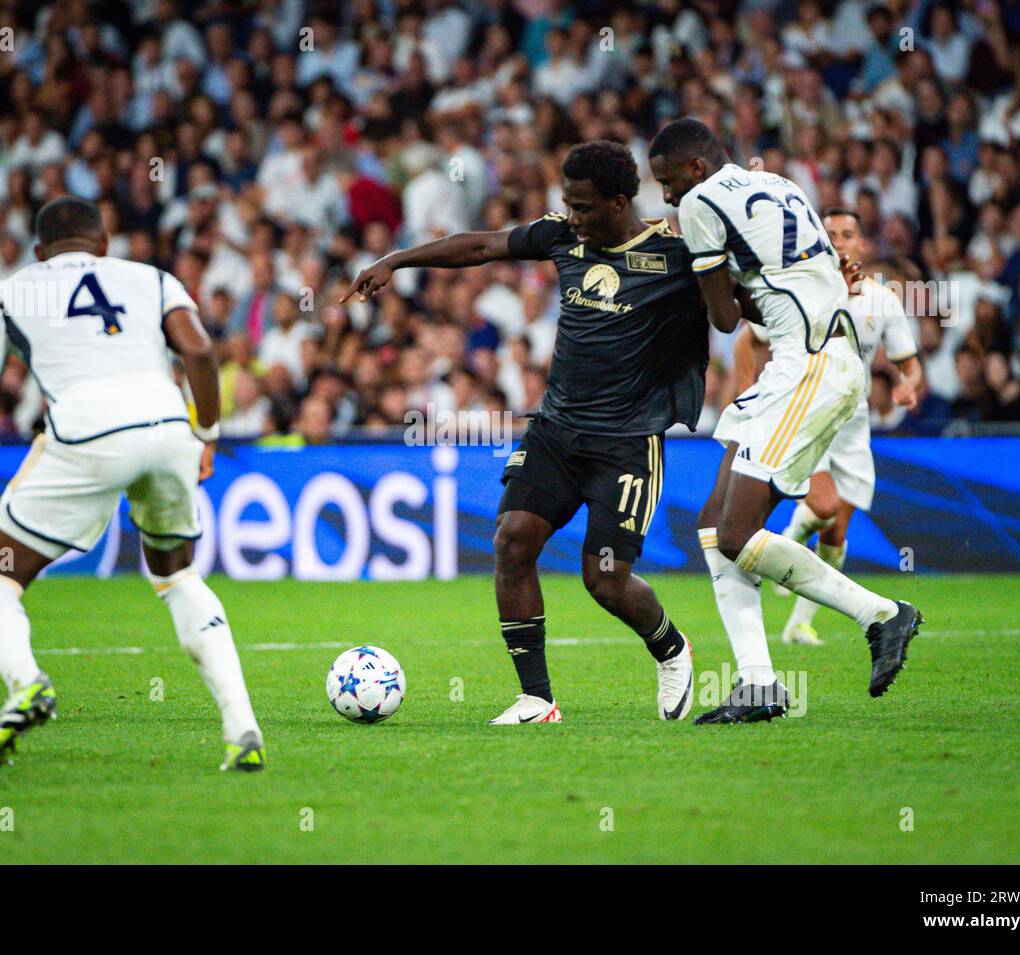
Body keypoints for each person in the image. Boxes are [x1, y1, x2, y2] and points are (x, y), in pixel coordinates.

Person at [0, 197, 266, 773]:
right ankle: (241, 728)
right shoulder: (151, 277)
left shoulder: (9, 291)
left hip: (87, 435)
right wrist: (205, 432)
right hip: (167, 426)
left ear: (38, 252)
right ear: (103, 243)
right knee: (179, 576)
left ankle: (26, 684)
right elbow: (201, 351)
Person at [343, 141, 707, 724]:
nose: (574, 217)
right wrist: (398, 260)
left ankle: (670, 648)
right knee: (512, 541)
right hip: (557, 430)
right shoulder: (564, 235)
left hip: (627, 442)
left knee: (605, 580)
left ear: (619, 202)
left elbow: (743, 294)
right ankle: (538, 699)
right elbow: (483, 245)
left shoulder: (674, 255)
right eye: (569, 205)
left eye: (585, 207)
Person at [649, 118, 922, 724]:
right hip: (805, 362)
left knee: (739, 534)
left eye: (668, 182)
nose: (667, 196)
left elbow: (724, 317)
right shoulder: (776, 182)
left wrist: (686, 274)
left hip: (809, 363)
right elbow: (790, 279)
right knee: (715, 525)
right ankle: (758, 684)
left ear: (695, 169)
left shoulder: (698, 203)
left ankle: (881, 614)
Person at [769, 209, 923, 645]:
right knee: (823, 506)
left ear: (863, 245)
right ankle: (789, 540)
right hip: (808, 411)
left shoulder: (884, 301)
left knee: (837, 531)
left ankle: (800, 622)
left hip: (854, 422)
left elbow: (908, 364)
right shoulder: (803, 290)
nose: (838, 240)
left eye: (847, 234)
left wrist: (908, 386)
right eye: (829, 234)